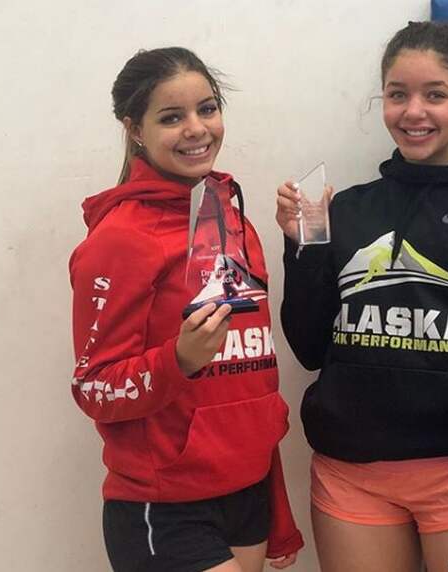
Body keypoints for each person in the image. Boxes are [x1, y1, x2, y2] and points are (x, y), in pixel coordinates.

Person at [276, 21, 448, 572]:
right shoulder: (348, 209)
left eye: (435, 95)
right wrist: (303, 246)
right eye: (397, 95)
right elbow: (309, 347)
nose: (413, 112)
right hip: (350, 476)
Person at [70, 47, 303, 572]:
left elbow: (251, 378)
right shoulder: (120, 239)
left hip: (246, 494)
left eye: (208, 108)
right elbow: (94, 387)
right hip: (164, 507)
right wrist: (179, 360)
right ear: (135, 129)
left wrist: (277, 508)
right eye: (172, 117)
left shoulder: (233, 220)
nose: (197, 129)